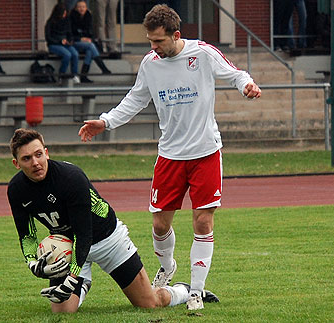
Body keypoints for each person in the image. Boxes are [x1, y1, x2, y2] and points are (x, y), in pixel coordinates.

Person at [78, 4, 261, 310]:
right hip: (170, 156)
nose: (153, 47)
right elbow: (135, 99)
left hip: (205, 152)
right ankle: (168, 266)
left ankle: (196, 293)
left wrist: (247, 85)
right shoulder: (150, 64)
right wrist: (105, 121)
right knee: (160, 226)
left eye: (158, 41)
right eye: (150, 41)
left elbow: (235, 73)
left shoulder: (202, 53)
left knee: (203, 222)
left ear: (176, 35)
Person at [7, 128, 191, 313]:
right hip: (68, 246)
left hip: (107, 240)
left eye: (39, 154)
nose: (36, 162)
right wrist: (32, 263)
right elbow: (27, 235)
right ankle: (83, 283)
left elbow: (84, 234)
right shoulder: (16, 189)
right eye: (27, 158)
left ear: (46, 153)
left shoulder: (71, 177)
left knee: (149, 303)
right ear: (16, 163)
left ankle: (184, 291)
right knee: (62, 311)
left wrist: (72, 277)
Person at [70, 0, 112, 83]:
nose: (81, 9)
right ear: (75, 8)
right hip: (74, 42)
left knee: (90, 51)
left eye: (83, 7)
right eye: (79, 7)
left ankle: (83, 75)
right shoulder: (71, 17)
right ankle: (103, 67)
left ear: (86, 8)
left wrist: (87, 38)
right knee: (91, 46)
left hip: (86, 42)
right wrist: (81, 39)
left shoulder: (88, 16)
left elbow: (90, 32)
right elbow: (70, 34)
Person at [45, 3, 80, 84]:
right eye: (63, 13)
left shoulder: (66, 21)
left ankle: (75, 74)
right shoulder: (50, 22)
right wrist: (59, 41)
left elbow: (69, 33)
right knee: (67, 54)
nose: (64, 15)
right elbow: (48, 37)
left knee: (75, 54)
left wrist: (70, 40)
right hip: (54, 44)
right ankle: (61, 74)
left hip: (65, 43)